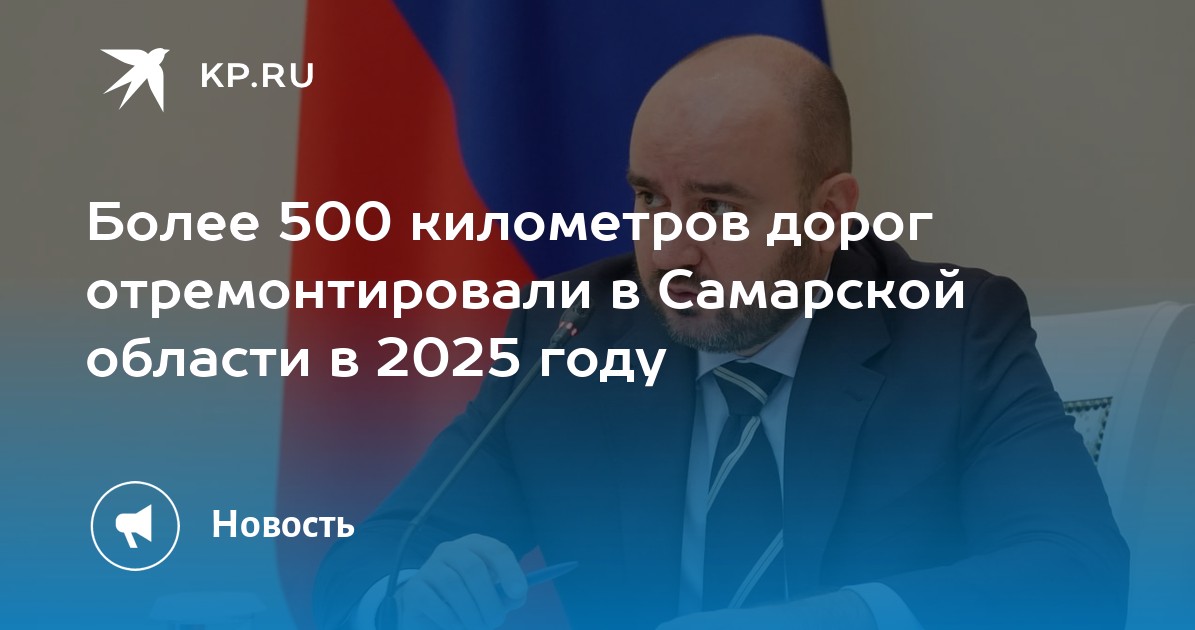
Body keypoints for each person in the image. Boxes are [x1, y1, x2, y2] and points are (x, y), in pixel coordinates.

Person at [315, 35, 1129, 630]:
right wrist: (409, 598)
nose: (671, 249)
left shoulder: (954, 333)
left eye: (716, 208)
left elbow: (1078, 572)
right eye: (649, 200)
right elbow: (364, 562)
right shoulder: (575, 337)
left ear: (829, 214)